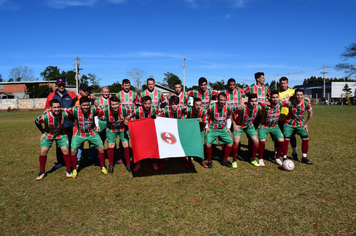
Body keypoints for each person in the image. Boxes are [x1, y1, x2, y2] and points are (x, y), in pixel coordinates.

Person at [66, 96, 107, 178]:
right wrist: (49, 109)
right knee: (73, 150)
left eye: (87, 105)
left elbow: (105, 108)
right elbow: (63, 109)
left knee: (101, 148)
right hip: (79, 133)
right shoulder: (75, 109)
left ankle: (103, 166)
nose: (86, 107)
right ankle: (74, 169)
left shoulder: (94, 108)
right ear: (80, 105)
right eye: (84, 105)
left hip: (91, 132)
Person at [44, 78, 77, 168]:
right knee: (58, 144)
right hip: (56, 125)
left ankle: (69, 161)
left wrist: (91, 96)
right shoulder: (51, 96)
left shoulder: (72, 95)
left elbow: (77, 106)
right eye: (59, 85)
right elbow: (46, 109)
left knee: (69, 143)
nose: (61, 86)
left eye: (63, 85)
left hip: (68, 124)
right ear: (56, 86)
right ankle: (60, 161)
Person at [35, 99, 72, 180]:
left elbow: (72, 115)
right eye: (54, 107)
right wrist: (42, 132)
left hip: (61, 134)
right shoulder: (45, 116)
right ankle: (42, 171)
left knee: (66, 150)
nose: (57, 109)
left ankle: (68, 169)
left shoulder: (64, 114)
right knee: (43, 151)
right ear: (50, 108)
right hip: (49, 134)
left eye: (58, 107)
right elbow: (37, 122)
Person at [125, 96, 161, 171]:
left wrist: (157, 116)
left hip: (151, 131)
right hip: (140, 132)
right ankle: (138, 163)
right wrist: (127, 121)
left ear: (151, 103)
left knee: (153, 146)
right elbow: (127, 117)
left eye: (149, 103)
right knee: (138, 147)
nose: (147, 105)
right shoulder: (137, 110)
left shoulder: (154, 109)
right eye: (145, 104)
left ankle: (154, 162)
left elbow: (161, 114)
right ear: (142, 104)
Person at [97, 96, 132, 174]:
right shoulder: (105, 109)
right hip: (111, 128)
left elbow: (132, 112)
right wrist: (101, 122)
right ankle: (111, 165)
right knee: (111, 145)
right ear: (110, 104)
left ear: (119, 104)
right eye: (113, 105)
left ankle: (128, 164)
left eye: (116, 104)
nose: (115, 106)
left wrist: (127, 118)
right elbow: (97, 114)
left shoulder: (125, 108)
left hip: (122, 128)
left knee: (125, 144)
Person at [258, 90, 290, 167]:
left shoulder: (281, 103)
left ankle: (277, 157)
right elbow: (257, 102)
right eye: (273, 97)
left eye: (276, 97)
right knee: (262, 142)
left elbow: (288, 97)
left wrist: (305, 98)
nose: (275, 99)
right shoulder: (265, 105)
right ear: (270, 98)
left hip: (274, 126)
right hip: (264, 126)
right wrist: (265, 101)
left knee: (282, 141)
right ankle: (260, 158)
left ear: (279, 98)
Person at [282, 89, 313, 164]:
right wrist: (289, 97)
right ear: (295, 95)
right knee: (286, 140)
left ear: (303, 96)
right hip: (289, 123)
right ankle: (284, 158)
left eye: (301, 95)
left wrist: (306, 124)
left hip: (300, 124)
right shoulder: (290, 102)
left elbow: (310, 113)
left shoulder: (306, 103)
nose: (299, 96)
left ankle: (304, 158)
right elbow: (279, 101)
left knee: (306, 139)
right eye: (297, 95)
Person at [231, 94, 262, 167]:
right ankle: (234, 160)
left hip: (249, 126)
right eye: (252, 101)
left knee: (256, 141)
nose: (254, 103)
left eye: (255, 101)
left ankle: (253, 159)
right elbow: (232, 113)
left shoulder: (258, 108)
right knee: (236, 141)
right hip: (239, 126)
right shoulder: (242, 108)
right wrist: (234, 124)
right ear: (248, 101)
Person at [204, 93, 233, 168]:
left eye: (224, 100)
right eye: (221, 100)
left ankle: (224, 160)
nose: (222, 102)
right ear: (217, 99)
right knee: (208, 144)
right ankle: (209, 161)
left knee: (230, 143)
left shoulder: (228, 107)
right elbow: (206, 116)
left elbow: (229, 117)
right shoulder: (212, 106)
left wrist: (228, 127)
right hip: (212, 129)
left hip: (223, 129)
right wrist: (206, 127)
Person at [277, 76, 298, 161]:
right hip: (279, 118)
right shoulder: (276, 93)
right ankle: (277, 152)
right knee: (279, 137)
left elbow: (299, 97)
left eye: (284, 83)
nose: (283, 85)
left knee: (292, 136)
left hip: (290, 118)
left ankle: (294, 152)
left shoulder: (292, 92)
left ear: (287, 83)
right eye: (281, 83)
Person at [185, 98, 208, 168]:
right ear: (193, 105)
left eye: (200, 105)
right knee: (188, 143)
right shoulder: (188, 110)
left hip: (199, 130)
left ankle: (201, 159)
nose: (198, 107)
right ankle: (188, 159)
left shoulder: (204, 111)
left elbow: (205, 122)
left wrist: (202, 121)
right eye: (196, 105)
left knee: (202, 143)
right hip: (189, 130)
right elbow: (184, 119)